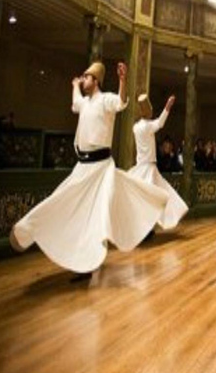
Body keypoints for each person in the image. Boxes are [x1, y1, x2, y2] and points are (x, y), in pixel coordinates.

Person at [9, 61, 168, 278]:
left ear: (96, 81)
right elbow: (75, 103)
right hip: (82, 167)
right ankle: (31, 229)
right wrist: (74, 84)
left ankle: (88, 260)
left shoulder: (105, 100)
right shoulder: (84, 103)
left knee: (94, 216)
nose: (83, 80)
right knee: (62, 200)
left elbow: (121, 102)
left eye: (86, 77)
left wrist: (123, 80)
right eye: (83, 77)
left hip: (101, 169)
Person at [128, 94, 188, 230]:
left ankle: (144, 227)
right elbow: (160, 123)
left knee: (144, 198)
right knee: (160, 196)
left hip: (139, 167)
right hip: (148, 168)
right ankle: (148, 226)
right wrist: (168, 106)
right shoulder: (147, 127)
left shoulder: (135, 127)